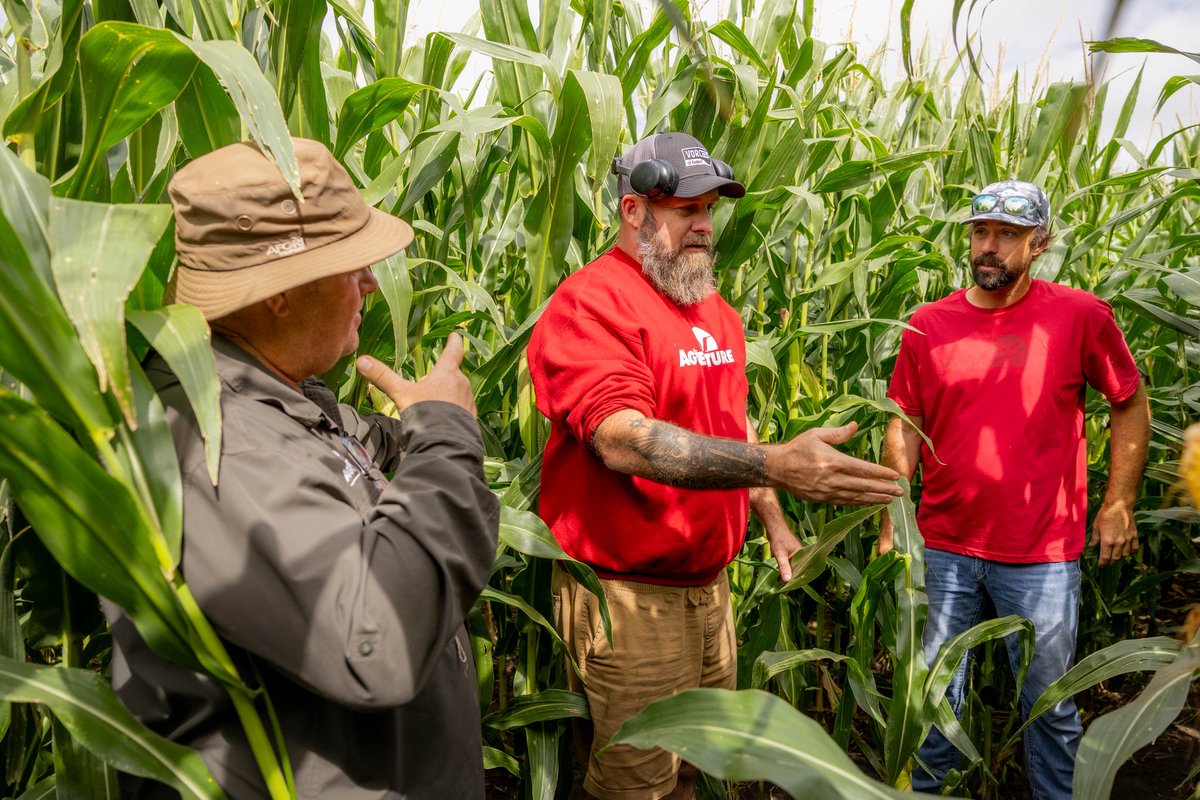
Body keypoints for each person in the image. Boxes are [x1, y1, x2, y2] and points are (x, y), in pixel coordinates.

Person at [104, 138, 499, 799]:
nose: (371, 282)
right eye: (350, 267)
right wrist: (448, 439)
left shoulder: (280, 399)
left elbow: (355, 462)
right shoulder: (219, 446)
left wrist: (423, 435)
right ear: (278, 295)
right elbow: (376, 640)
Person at [527, 131, 904, 800]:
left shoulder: (715, 313)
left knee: (698, 772)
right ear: (634, 211)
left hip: (709, 590)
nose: (704, 226)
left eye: (710, 211)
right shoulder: (592, 304)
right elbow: (624, 440)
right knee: (635, 783)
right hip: (627, 598)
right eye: (685, 210)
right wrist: (777, 465)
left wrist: (772, 514)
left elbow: (731, 419)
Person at [880, 180, 1150, 798]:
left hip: (1041, 556)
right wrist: (893, 524)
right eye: (980, 232)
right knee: (932, 707)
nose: (989, 247)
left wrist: (1119, 503)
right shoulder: (929, 324)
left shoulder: (1080, 317)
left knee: (1051, 712)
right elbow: (905, 426)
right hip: (944, 549)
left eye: (1007, 235)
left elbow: (1130, 403)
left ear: (1039, 244)